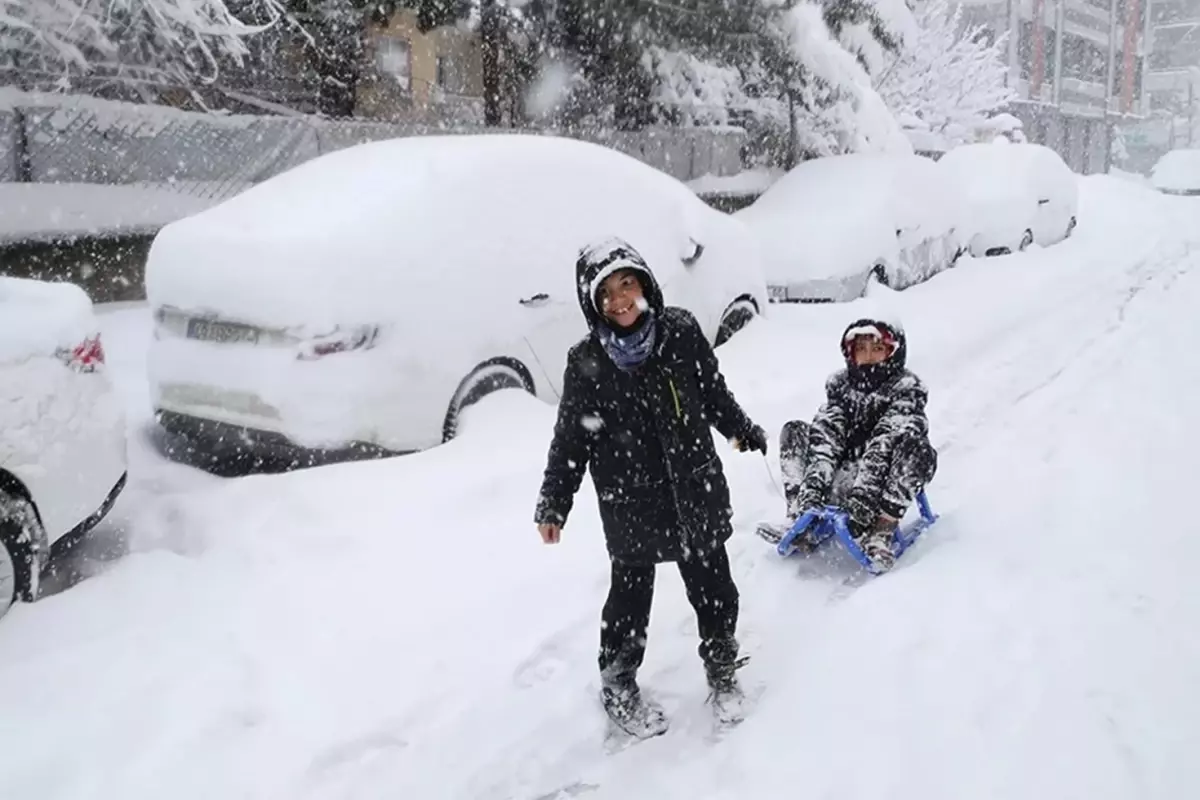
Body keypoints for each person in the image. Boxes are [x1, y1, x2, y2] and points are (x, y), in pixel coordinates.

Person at [534, 237, 767, 737]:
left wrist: (739, 429)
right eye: (606, 293)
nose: (620, 300)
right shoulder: (586, 361)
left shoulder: (680, 332)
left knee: (715, 589)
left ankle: (722, 668)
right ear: (592, 304)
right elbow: (572, 437)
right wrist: (554, 501)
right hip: (630, 500)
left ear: (645, 284)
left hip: (694, 487)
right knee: (629, 601)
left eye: (627, 284)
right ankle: (618, 683)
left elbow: (711, 393)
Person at [759, 318, 937, 572]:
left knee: (918, 451)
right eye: (861, 349)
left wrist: (864, 500)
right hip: (842, 473)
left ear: (893, 352)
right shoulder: (841, 386)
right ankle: (799, 516)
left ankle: (882, 530)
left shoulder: (906, 391)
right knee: (795, 431)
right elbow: (827, 436)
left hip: (881, 481)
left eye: (877, 349)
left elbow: (885, 442)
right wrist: (813, 489)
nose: (868, 356)